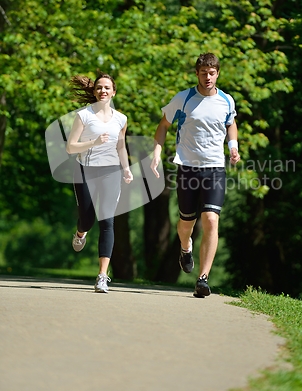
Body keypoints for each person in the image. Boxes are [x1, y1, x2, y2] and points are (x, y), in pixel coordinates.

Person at [150, 53, 240, 298]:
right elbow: (163, 126)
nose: (207, 77)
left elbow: (230, 123)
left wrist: (233, 147)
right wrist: (156, 153)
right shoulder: (184, 98)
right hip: (187, 167)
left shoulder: (226, 101)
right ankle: (185, 247)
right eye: (203, 73)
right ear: (197, 73)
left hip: (214, 167)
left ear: (217, 73)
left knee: (211, 219)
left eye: (211, 73)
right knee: (186, 223)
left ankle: (203, 279)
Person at [66, 71, 133, 293]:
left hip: (111, 172)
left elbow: (121, 146)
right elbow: (70, 147)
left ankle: (102, 276)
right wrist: (93, 142)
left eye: (106, 88)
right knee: (87, 219)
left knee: (107, 221)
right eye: (98, 88)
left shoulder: (121, 118)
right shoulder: (83, 116)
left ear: (113, 92)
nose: (102, 91)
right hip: (85, 170)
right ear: (94, 92)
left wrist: (126, 168)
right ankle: (80, 233)